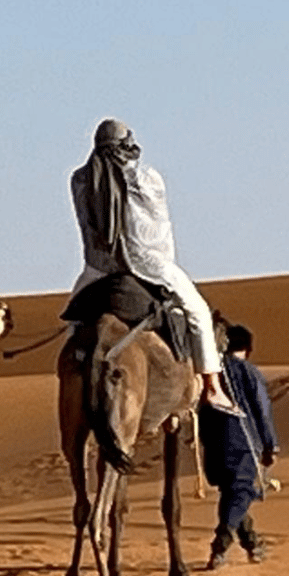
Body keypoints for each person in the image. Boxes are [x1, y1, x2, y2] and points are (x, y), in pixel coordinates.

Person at [68, 118, 236, 412]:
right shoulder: (147, 179)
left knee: (74, 318)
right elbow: (158, 228)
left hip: (99, 269)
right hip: (149, 265)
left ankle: (74, 373)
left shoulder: (79, 180)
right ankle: (212, 386)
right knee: (197, 311)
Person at [200, 324, 279, 569]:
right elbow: (262, 410)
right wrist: (270, 445)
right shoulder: (248, 372)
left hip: (215, 447)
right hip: (244, 443)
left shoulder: (211, 373)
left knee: (233, 494)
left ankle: (252, 544)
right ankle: (220, 546)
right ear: (247, 348)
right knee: (240, 492)